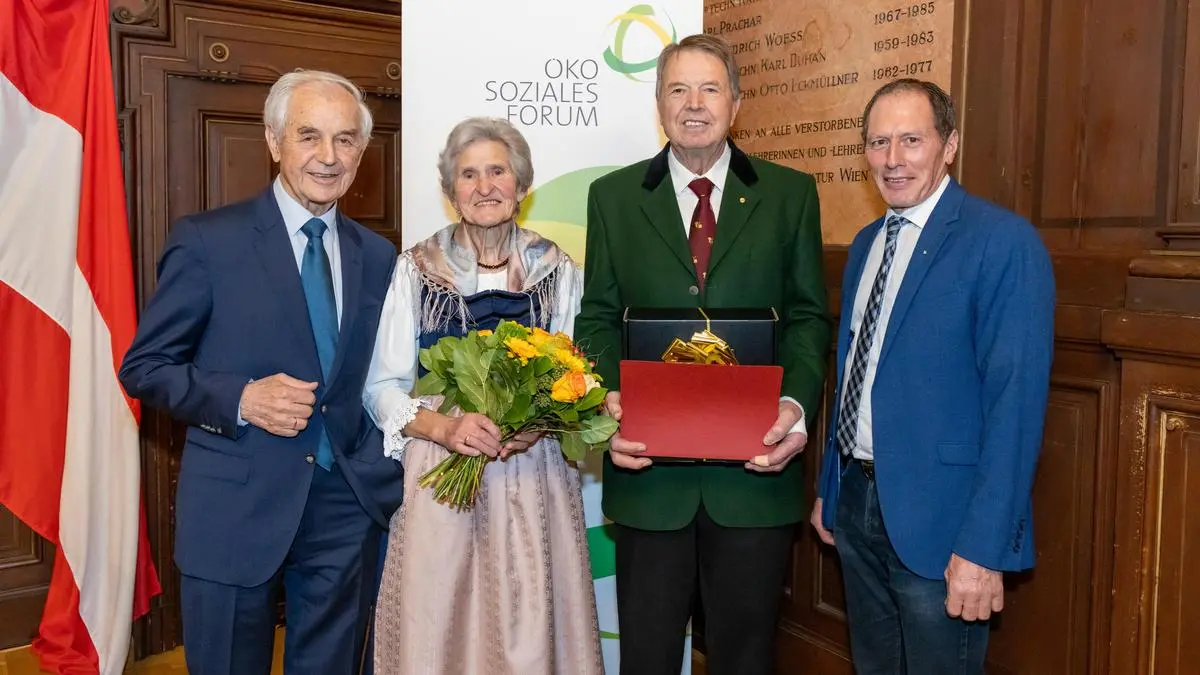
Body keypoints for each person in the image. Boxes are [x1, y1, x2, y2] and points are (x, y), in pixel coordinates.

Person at [119, 70, 402, 674]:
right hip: (234, 510)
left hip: (344, 511)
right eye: (309, 136)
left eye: (346, 140)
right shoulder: (207, 242)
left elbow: (384, 377)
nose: (329, 157)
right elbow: (146, 367)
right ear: (274, 142)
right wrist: (242, 398)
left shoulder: (379, 257)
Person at [573, 34, 831, 675]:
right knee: (649, 658)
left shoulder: (791, 194)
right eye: (678, 89)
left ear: (736, 102)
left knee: (746, 658)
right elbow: (599, 317)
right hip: (649, 480)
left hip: (754, 476)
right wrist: (609, 403)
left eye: (710, 88)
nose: (694, 104)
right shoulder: (611, 198)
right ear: (659, 104)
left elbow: (806, 316)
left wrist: (796, 408)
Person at [809, 78, 1055, 674]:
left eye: (911, 140)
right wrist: (830, 488)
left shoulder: (1003, 244)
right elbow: (853, 377)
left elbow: (1014, 407)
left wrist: (982, 547)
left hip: (942, 526)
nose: (892, 160)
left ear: (949, 146)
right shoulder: (868, 244)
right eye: (878, 142)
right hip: (858, 507)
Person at [363, 116, 603, 675]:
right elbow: (380, 386)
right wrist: (444, 428)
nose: (485, 186)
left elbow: (579, 379)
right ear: (451, 193)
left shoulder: (557, 268)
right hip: (443, 469)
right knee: (442, 615)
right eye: (468, 175)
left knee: (528, 620)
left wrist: (544, 422)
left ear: (522, 184)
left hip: (532, 471)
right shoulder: (417, 268)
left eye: (498, 171)